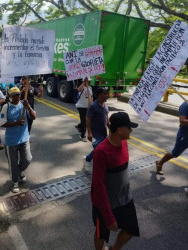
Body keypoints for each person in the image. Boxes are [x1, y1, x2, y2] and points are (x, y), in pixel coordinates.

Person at [91, 112, 140, 250]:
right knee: (101, 234)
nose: (131, 130)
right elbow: (98, 186)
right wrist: (108, 216)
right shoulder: (101, 152)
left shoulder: (124, 144)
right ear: (119, 130)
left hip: (125, 199)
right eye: (128, 127)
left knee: (131, 229)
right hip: (105, 204)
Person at [155, 86, 188, 188]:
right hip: (185, 137)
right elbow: (182, 121)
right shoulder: (185, 106)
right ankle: (160, 162)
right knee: (174, 153)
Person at [1, 87, 37, 193]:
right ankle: (15, 181)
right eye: (14, 95)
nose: (17, 97)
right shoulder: (6, 107)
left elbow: (34, 117)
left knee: (27, 159)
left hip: (24, 139)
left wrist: (28, 107)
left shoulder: (24, 105)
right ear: (10, 96)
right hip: (11, 141)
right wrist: (16, 123)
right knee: (13, 163)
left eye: (18, 95)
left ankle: (19, 171)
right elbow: (2, 123)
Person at [83, 87, 110, 174]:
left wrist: (110, 127)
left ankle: (87, 159)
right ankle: (97, 166)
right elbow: (88, 119)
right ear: (98, 95)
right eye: (104, 94)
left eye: (107, 94)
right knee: (99, 151)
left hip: (103, 133)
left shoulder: (105, 105)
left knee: (98, 150)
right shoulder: (92, 106)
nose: (107, 96)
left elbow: (106, 116)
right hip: (95, 134)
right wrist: (89, 132)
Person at [75, 77, 93, 142]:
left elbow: (91, 96)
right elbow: (78, 89)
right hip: (81, 106)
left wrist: (91, 104)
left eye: (89, 81)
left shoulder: (90, 88)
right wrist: (84, 82)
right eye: (88, 81)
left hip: (87, 107)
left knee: (86, 120)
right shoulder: (82, 88)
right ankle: (83, 135)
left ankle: (79, 126)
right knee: (84, 121)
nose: (89, 82)